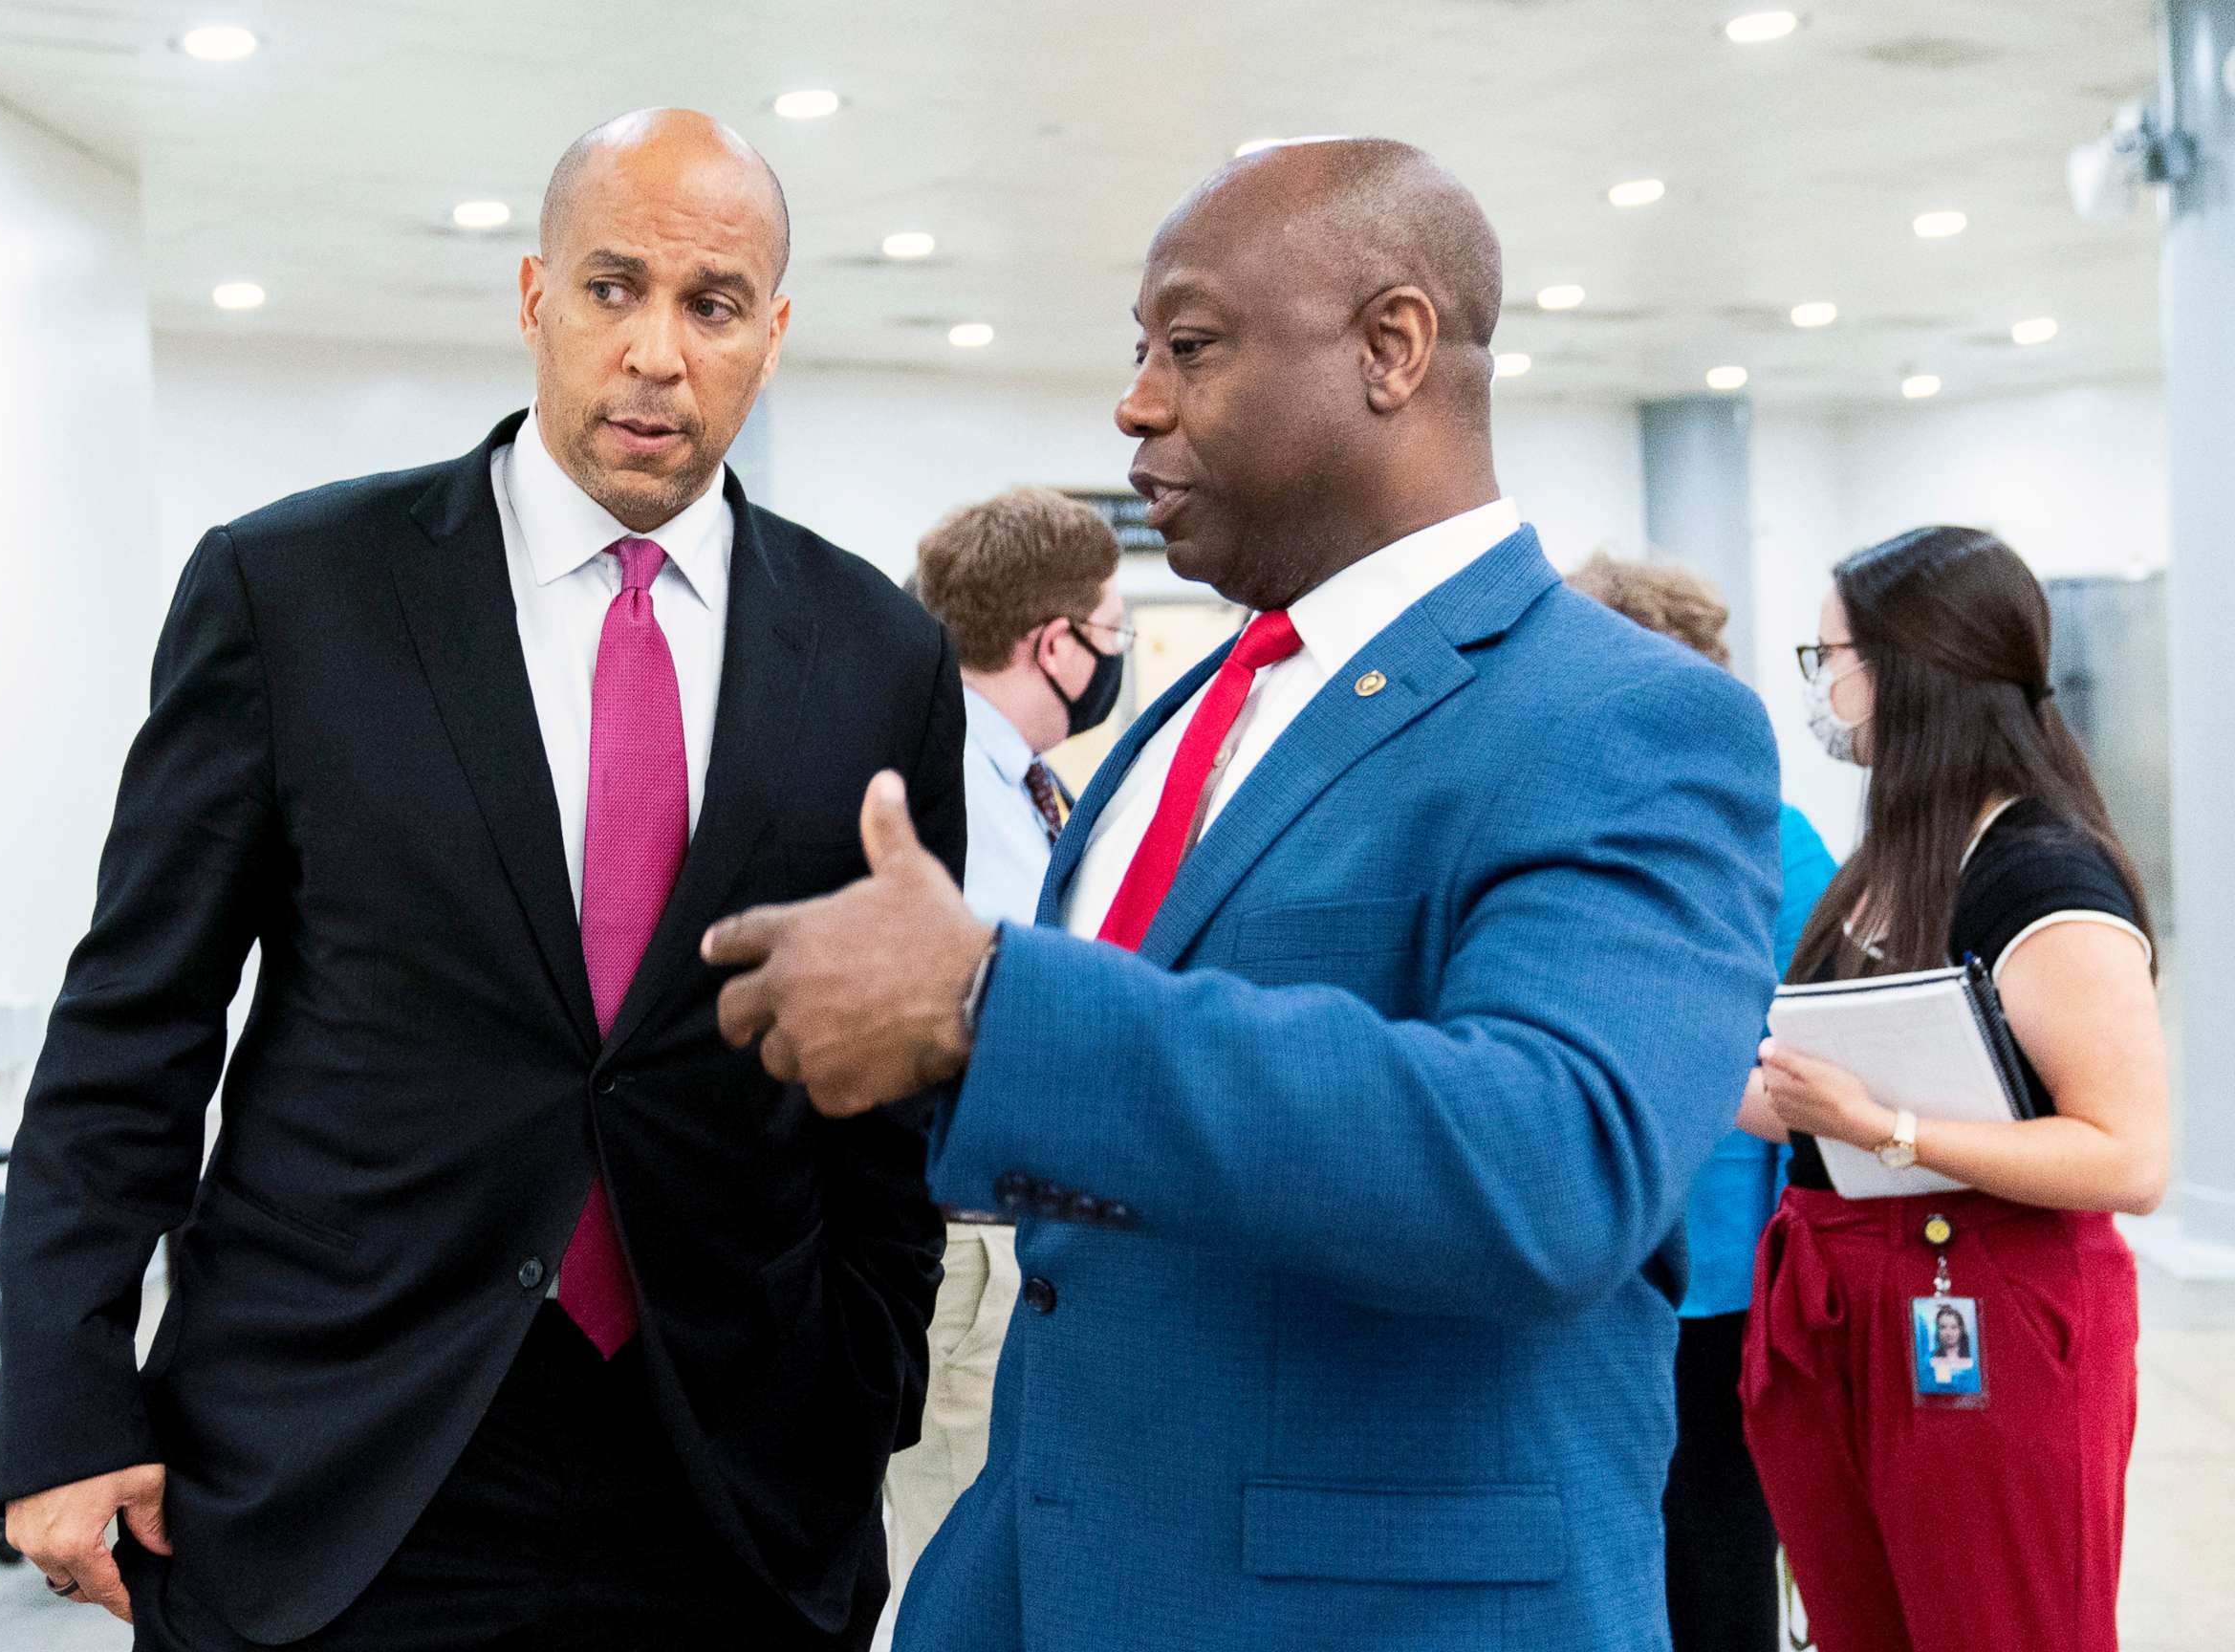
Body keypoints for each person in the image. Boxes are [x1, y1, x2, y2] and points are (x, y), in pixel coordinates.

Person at [700, 137, 1782, 1652]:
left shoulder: (1622, 719)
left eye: (1190, 347)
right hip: (1059, 1578)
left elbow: (1557, 1163)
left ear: (1391, 349)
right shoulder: (1193, 709)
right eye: (1138, 353)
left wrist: (986, 1002)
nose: (1137, 400)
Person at [0, 109, 962, 1650]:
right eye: (611, 287)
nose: (656, 351)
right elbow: (135, 1023)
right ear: (532, 298)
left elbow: (892, 1093)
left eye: (711, 305)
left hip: (730, 1475)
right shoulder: (292, 591)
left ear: (769, 335)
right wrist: (64, 1399)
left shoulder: (877, 656)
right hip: (342, 1459)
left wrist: (867, 1384)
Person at [1737, 526, 2168, 1652]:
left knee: (2000, 1622)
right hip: (1839, 1298)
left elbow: (2127, 1156)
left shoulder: (2041, 872)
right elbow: (1811, 1098)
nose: (1823, 688)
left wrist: (1889, 1129)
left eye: (1832, 654)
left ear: (1912, 671)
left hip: (1985, 1312)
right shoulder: (1890, 862)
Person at [1564, 552, 1836, 1652]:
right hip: (1583, 1265)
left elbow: (1814, 1074)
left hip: (1723, 1281)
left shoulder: (1778, 840)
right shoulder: (1559, 833)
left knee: (1715, 1564)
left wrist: (1643, 1061)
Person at [885, 489, 1125, 1620]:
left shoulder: (1030, 786)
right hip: (969, 1257)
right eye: (1114, 635)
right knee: (956, 1577)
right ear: (1055, 644)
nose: (1115, 659)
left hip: (1024, 1248)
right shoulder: (946, 794)